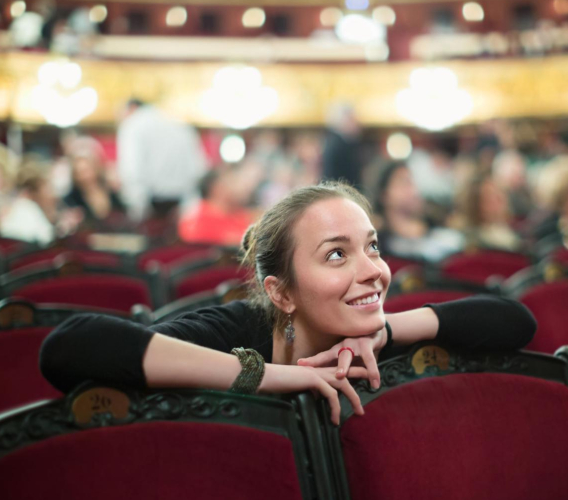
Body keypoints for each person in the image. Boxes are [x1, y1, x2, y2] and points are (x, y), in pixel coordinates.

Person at [40, 182, 536, 425]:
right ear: (281, 293)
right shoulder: (240, 327)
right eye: (337, 254)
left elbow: (516, 321)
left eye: (373, 246)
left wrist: (385, 331)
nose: (373, 270)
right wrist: (278, 375)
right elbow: (71, 348)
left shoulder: (374, 333)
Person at [117, 99, 208, 221]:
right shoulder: (180, 125)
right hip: (181, 203)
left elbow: (132, 170)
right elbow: (199, 168)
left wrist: (136, 207)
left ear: (132, 108)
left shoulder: (133, 125)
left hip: (149, 204)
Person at [373, 162, 464, 262]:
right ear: (384, 194)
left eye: (413, 183)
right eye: (404, 183)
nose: (413, 190)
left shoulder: (445, 239)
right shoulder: (377, 245)